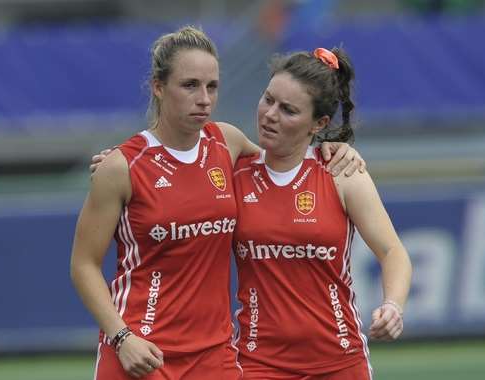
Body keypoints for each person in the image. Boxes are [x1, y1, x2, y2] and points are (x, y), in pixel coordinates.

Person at [71, 26, 366, 380]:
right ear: (158, 87)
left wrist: (329, 149)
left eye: (212, 86)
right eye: (190, 85)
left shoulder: (226, 141)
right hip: (141, 351)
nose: (204, 98)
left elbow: (287, 165)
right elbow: (84, 264)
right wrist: (122, 338)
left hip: (215, 358)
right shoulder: (122, 166)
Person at [231, 47, 412, 379]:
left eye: (288, 110)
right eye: (268, 99)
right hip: (258, 363)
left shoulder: (343, 172)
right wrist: (121, 162)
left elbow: (393, 251)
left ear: (319, 123)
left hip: (340, 362)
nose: (270, 114)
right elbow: (172, 167)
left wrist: (393, 306)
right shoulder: (233, 173)